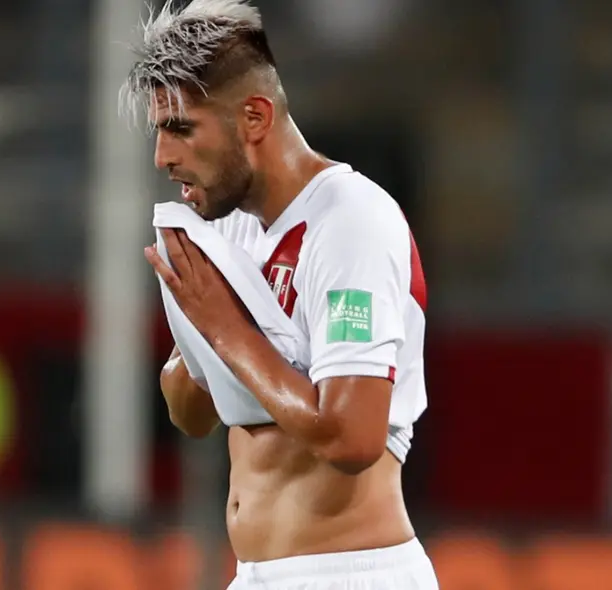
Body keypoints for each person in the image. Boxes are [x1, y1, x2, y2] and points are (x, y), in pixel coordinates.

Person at [123, 1, 436, 588]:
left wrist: (228, 331)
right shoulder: (228, 226)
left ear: (256, 118)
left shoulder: (351, 224)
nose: (163, 157)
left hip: (347, 573)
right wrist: (194, 336)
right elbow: (191, 415)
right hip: (257, 573)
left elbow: (353, 437)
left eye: (181, 128)